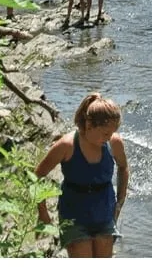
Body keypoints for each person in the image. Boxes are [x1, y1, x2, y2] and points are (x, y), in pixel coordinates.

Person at [35, 92, 129, 258]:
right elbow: (37, 175)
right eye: (105, 133)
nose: (109, 138)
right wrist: (43, 213)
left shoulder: (114, 142)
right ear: (89, 125)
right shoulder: (67, 145)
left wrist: (120, 202)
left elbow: (123, 167)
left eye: (112, 132)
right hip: (74, 213)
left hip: (104, 210)